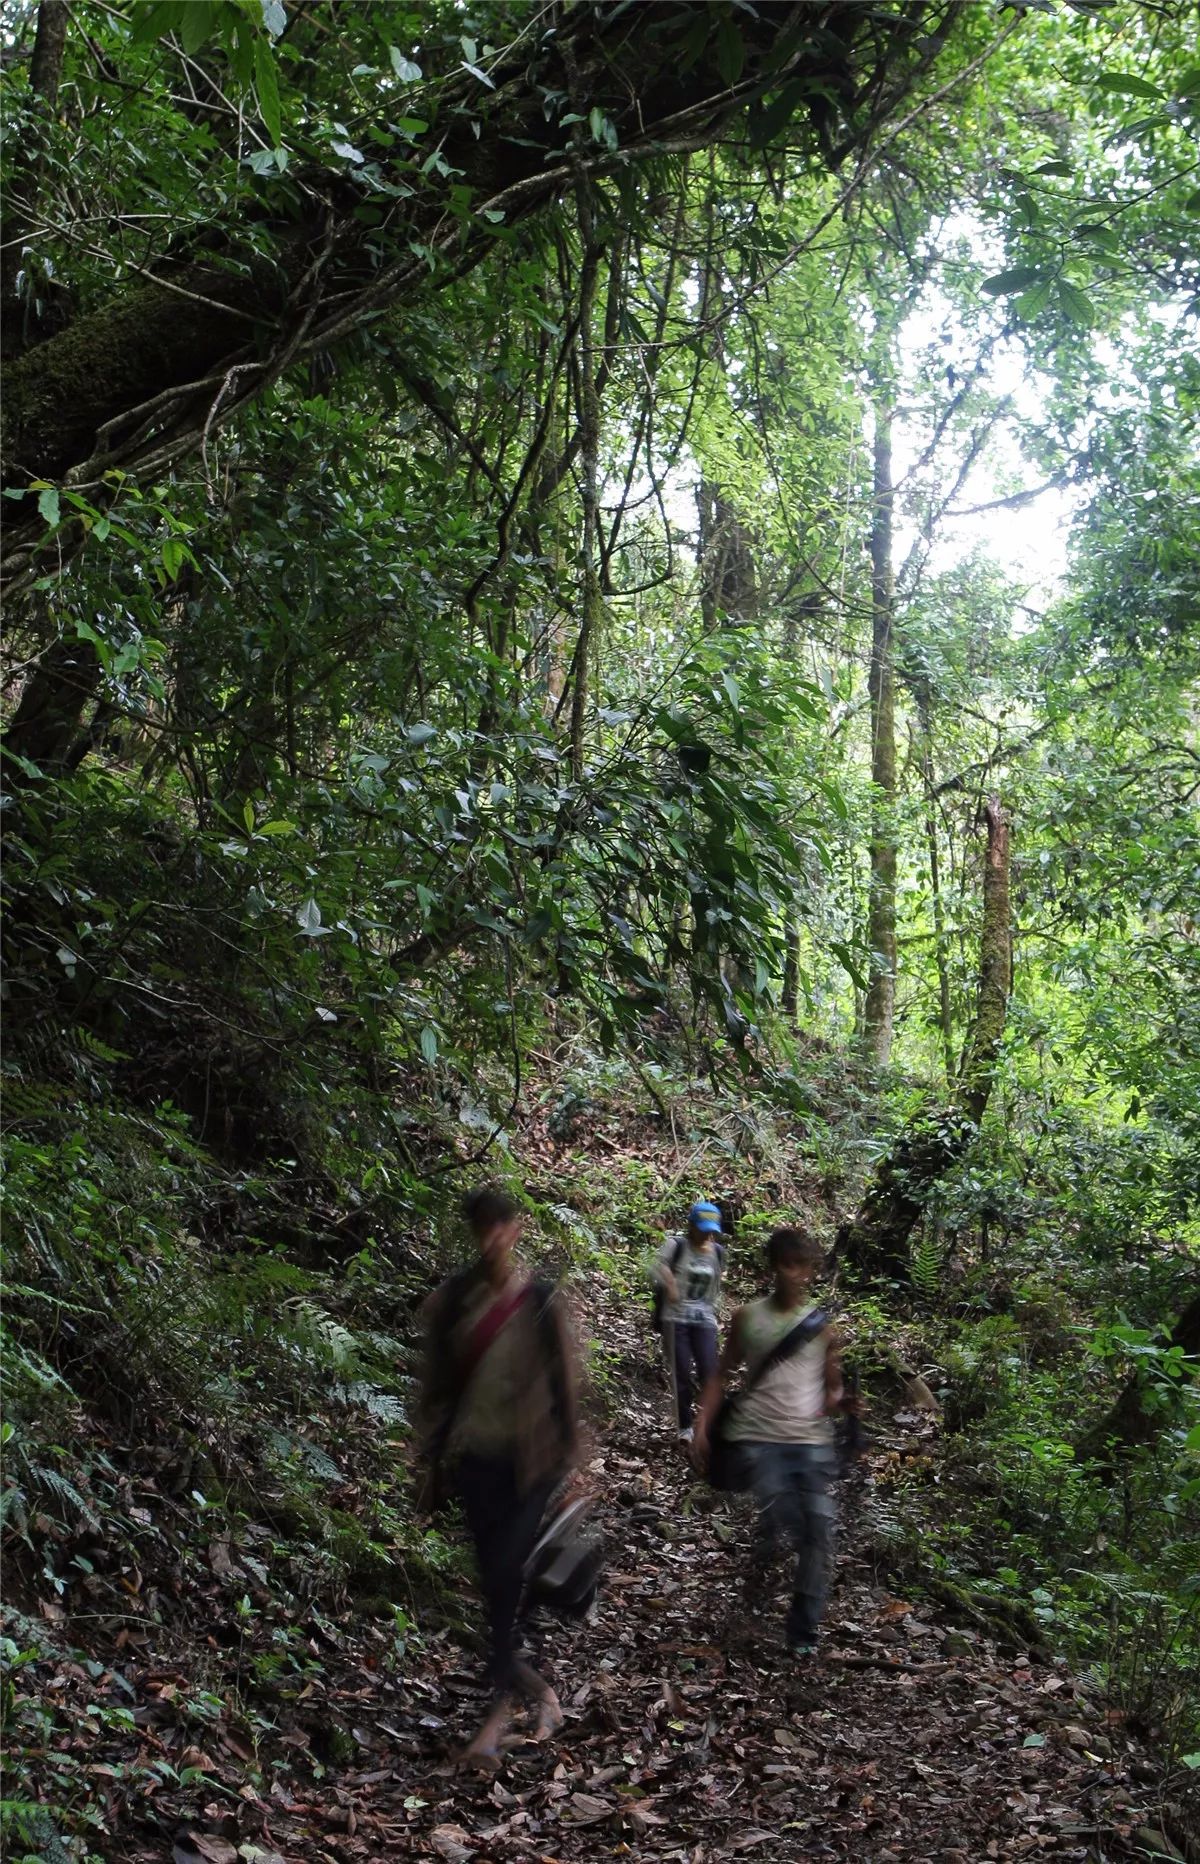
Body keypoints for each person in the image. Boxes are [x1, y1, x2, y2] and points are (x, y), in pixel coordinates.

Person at [419, 1186, 579, 1766]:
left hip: (530, 1465)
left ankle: (493, 1716)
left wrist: (575, 1462)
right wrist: (428, 1456)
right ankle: (535, 1689)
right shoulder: (458, 1301)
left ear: (516, 1229)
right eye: (479, 1228)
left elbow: (565, 1387)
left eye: (498, 1226)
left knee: (507, 1574)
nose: (490, 1239)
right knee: (496, 1585)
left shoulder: (539, 1301)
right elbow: (437, 1388)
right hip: (476, 1461)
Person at [693, 1227, 844, 1659]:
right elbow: (721, 1375)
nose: (795, 1274)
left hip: (809, 1442)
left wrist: (842, 1403)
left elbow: (830, 1391)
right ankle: (760, 1571)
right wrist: (702, 1424)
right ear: (774, 1266)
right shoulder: (748, 1318)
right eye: (788, 1264)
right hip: (758, 1438)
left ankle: (802, 1634)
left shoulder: (823, 1329)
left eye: (803, 1266)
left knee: (818, 1530)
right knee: (785, 1510)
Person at [652, 1199, 725, 1443]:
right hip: (675, 1318)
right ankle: (684, 1427)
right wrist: (670, 1283)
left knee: (709, 1372)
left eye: (710, 1231)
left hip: (703, 1318)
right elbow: (657, 1265)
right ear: (691, 1226)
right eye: (702, 1229)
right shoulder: (676, 1245)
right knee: (681, 1373)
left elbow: (716, 1287)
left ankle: (709, 1425)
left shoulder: (718, 1253)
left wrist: (715, 1312)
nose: (706, 1234)